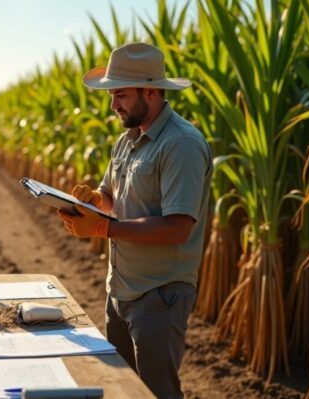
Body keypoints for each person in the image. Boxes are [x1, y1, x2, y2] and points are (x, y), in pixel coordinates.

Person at [57, 42, 212, 399]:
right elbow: (112, 198)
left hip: (160, 295)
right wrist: (94, 202)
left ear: (152, 90)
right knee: (123, 389)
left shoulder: (181, 145)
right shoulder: (126, 140)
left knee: (156, 391)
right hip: (120, 288)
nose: (113, 105)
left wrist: (100, 227)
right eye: (112, 95)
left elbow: (177, 227)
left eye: (121, 95)